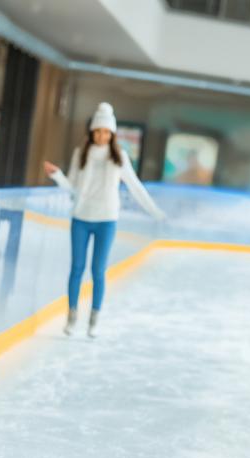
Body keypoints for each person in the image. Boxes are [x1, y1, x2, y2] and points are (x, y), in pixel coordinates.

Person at [44, 102, 166, 337]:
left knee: (98, 270)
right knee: (77, 268)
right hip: (81, 217)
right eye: (98, 131)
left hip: (106, 220)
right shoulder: (81, 154)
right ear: (92, 132)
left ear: (112, 134)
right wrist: (57, 175)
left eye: (106, 132)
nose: (101, 136)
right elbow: (72, 188)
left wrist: (155, 211)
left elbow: (135, 187)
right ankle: (72, 316)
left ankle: (94, 319)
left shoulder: (119, 157)